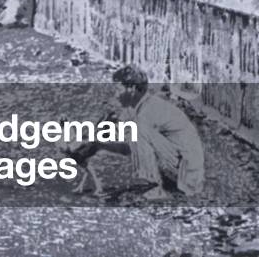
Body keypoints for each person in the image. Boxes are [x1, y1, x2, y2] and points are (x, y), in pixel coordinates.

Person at [70, 65, 205, 200]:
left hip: (188, 174)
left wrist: (100, 141)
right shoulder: (138, 107)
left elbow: (130, 145)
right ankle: (156, 184)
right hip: (178, 164)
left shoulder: (148, 112)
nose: (116, 94)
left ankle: (155, 188)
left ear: (132, 89)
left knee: (137, 128)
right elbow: (129, 147)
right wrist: (99, 143)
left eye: (118, 89)